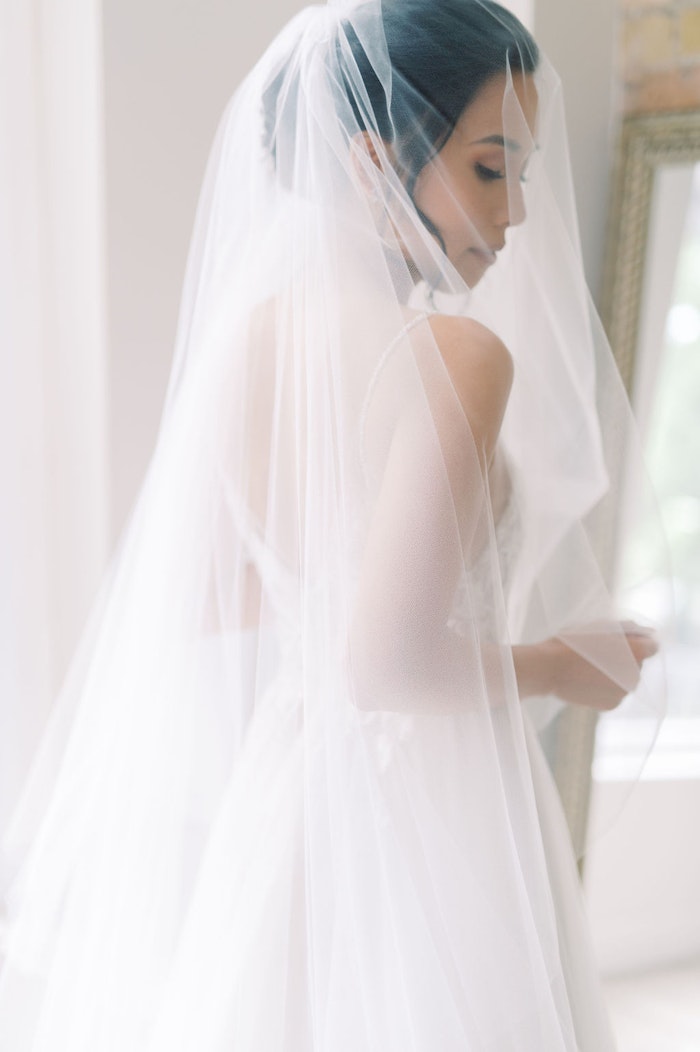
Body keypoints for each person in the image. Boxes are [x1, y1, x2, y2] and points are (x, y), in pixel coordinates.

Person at [0, 1, 663, 1048]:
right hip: (433, 815)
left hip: (294, 796)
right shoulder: (456, 357)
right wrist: (560, 661)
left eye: (521, 176)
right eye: (491, 170)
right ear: (369, 158)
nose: (517, 217)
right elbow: (386, 667)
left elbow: (220, 596)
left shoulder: (246, 339)